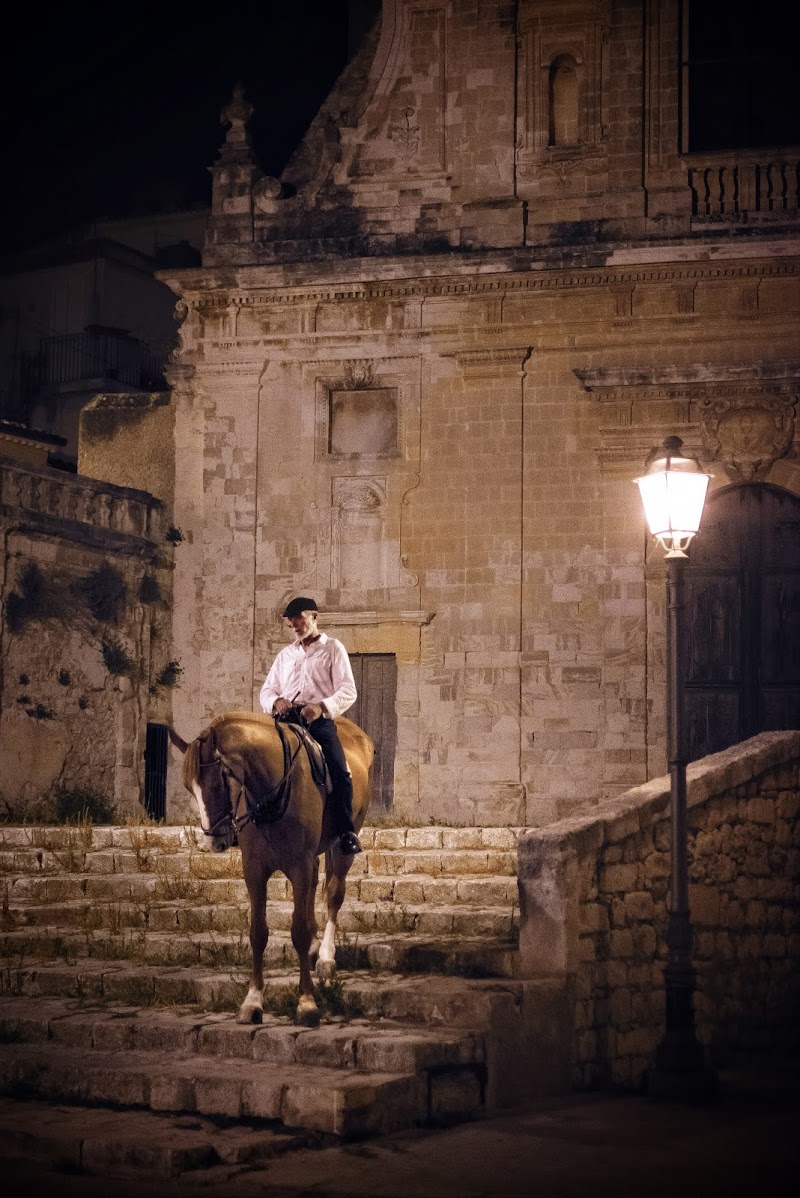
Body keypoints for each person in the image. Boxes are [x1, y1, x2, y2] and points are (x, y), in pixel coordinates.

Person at [259, 597, 362, 854]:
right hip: (285, 720)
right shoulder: (286, 655)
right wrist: (276, 701)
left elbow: (348, 690)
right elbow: (267, 690)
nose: (294, 624)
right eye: (291, 620)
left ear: (314, 616)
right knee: (256, 762)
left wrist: (321, 707)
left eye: (299, 618)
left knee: (340, 769)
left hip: (317, 721)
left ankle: (345, 830)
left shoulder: (333, 649)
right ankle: (249, 824)